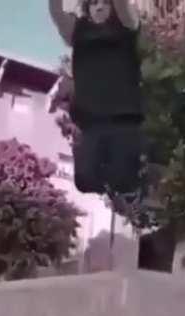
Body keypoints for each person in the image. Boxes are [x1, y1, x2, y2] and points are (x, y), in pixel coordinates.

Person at [49, 0, 145, 197]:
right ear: (87, 7)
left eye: (104, 3)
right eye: (94, 3)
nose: (99, 8)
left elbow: (123, 7)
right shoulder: (77, 30)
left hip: (124, 120)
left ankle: (137, 177)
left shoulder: (127, 26)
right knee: (84, 181)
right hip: (91, 120)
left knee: (124, 181)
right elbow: (57, 12)